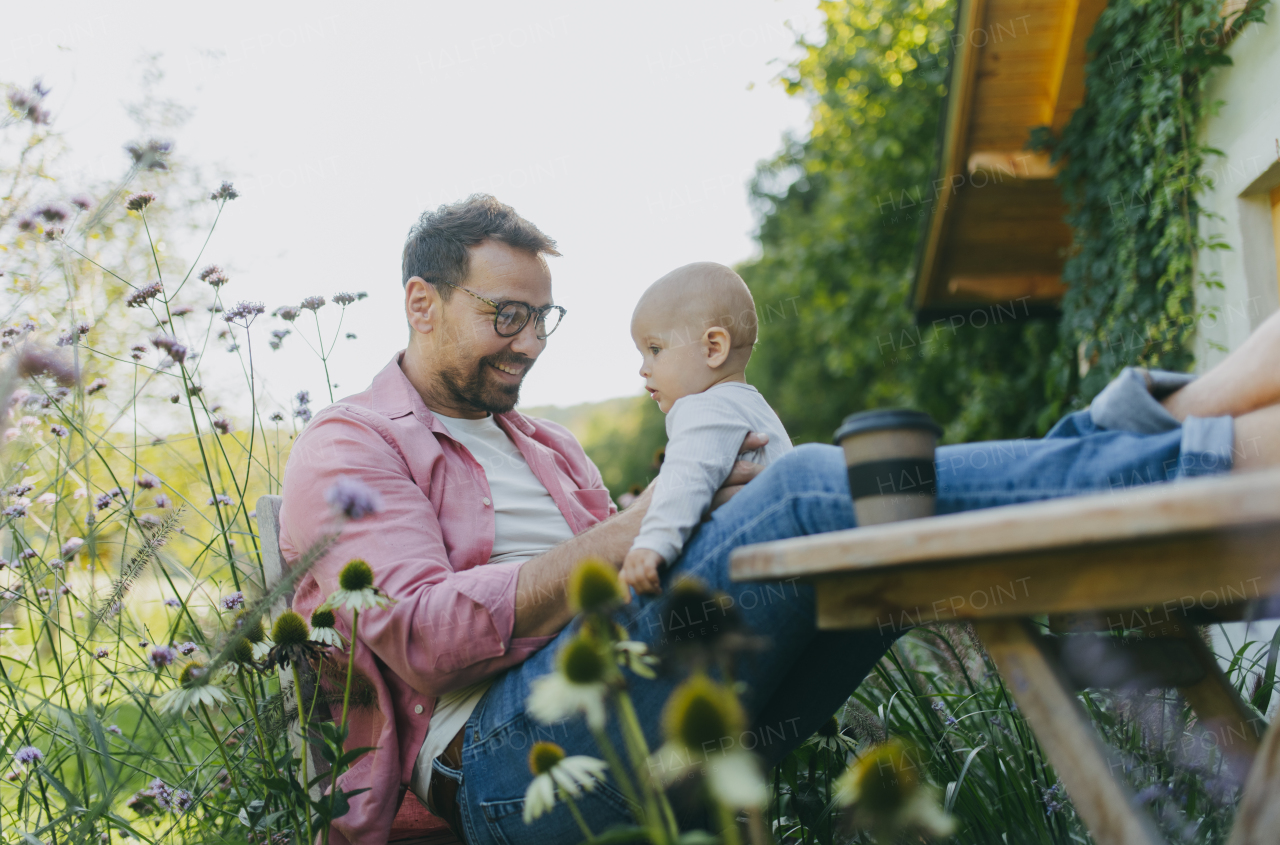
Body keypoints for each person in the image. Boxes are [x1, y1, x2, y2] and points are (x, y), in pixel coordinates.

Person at [277, 194, 1280, 845]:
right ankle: (1188, 436)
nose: (532, 342)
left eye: (546, 318)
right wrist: (627, 535)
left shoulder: (546, 447)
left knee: (861, 557)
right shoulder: (351, 446)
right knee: (809, 489)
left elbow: (640, 573)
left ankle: (1164, 439)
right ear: (421, 302)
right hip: (503, 768)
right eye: (507, 315)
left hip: (656, 706)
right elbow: (415, 637)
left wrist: (691, 514)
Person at [622, 262, 792, 596]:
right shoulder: (753, 405)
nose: (643, 369)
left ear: (713, 347)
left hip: (755, 576)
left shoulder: (704, 407)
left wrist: (651, 544)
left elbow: (687, 476)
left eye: (655, 349)